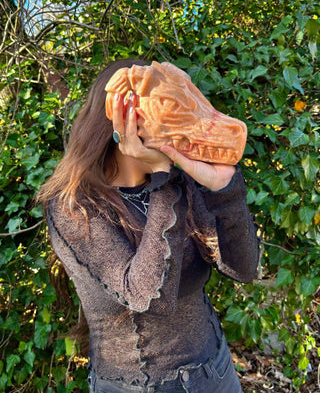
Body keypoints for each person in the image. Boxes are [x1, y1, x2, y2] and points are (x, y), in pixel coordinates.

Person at [37, 58, 259, 393]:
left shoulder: (181, 181)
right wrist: (163, 180)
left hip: (214, 372)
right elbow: (149, 297)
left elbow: (242, 268)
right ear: (123, 116)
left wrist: (225, 188)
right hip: (137, 386)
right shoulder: (73, 207)